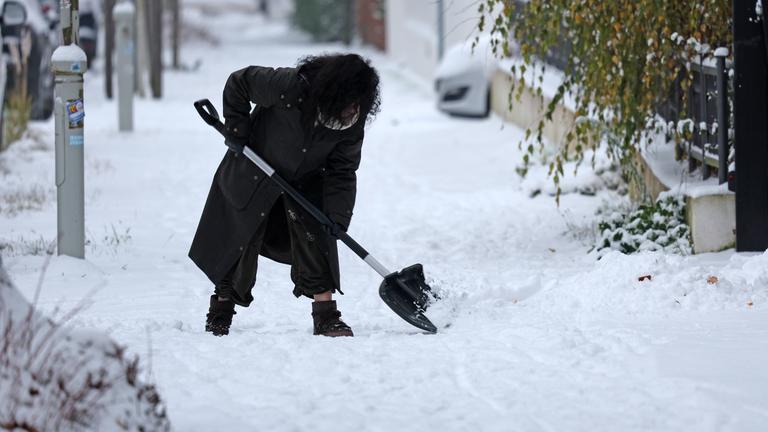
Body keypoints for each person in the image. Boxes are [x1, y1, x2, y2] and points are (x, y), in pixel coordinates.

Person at [189, 53, 380, 337]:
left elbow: (342, 171)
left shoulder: (352, 122)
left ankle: (326, 317)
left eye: (355, 106)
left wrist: (338, 218)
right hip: (253, 169)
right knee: (240, 239)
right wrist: (238, 126)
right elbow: (239, 82)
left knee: (319, 237)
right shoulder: (289, 86)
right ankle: (220, 311)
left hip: (305, 183)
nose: (350, 112)